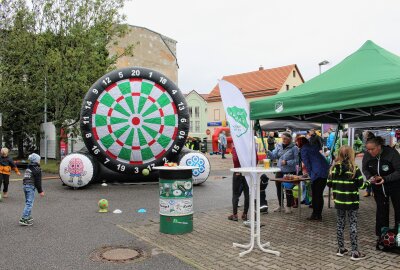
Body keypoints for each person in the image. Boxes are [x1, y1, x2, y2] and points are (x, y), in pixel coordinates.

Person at [328, 145, 369, 260]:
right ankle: (355, 252)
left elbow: (329, 184)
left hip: (339, 201)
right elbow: (361, 185)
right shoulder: (354, 169)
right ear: (352, 155)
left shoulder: (334, 168)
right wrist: (370, 183)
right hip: (352, 202)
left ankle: (341, 249)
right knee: (353, 225)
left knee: (340, 224)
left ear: (339, 155)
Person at [362, 136, 400, 248]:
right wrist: (371, 177)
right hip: (378, 187)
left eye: (372, 149)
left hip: (395, 187)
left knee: (398, 209)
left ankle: (398, 234)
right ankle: (382, 235)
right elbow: (365, 168)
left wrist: (385, 178)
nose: (369, 152)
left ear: (379, 147)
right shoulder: (368, 155)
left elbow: (399, 171)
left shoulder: (392, 153)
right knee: (381, 210)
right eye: (367, 149)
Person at [297, 136, 329, 221]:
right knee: (319, 194)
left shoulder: (303, 149)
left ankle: (315, 215)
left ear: (300, 143)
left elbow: (307, 164)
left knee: (315, 195)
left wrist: (310, 175)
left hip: (317, 172)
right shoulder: (313, 147)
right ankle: (318, 215)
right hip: (324, 170)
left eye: (297, 142)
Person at [267, 132, 299, 214]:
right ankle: (280, 206)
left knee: (288, 189)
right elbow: (274, 156)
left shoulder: (294, 148)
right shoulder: (279, 146)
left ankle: (289, 206)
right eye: (282, 138)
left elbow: (297, 161)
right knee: (279, 188)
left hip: (289, 171)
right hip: (279, 170)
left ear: (290, 139)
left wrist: (287, 162)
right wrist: (268, 152)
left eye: (285, 139)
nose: (283, 140)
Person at [19, 153, 44, 226]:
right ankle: (23, 218)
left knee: (28, 202)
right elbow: (38, 181)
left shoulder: (28, 167)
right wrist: (40, 191)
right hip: (30, 186)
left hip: (25, 186)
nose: (40, 161)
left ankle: (28, 216)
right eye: (39, 160)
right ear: (36, 161)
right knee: (29, 203)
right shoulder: (37, 169)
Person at [228, 145, 249, 222]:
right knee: (247, 194)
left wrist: (238, 166)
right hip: (248, 171)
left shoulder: (236, 146)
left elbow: (235, 159)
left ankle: (235, 215)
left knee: (235, 194)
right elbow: (255, 159)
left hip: (238, 171)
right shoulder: (249, 146)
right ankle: (245, 214)